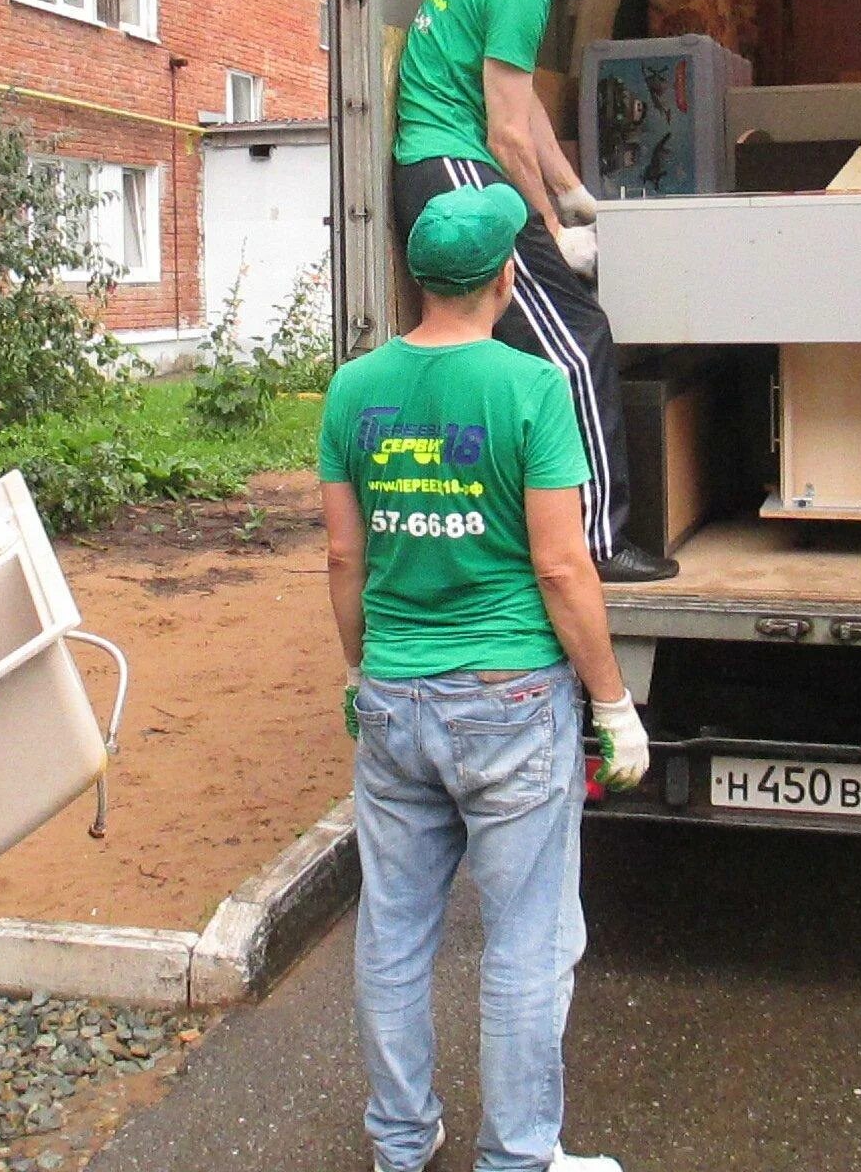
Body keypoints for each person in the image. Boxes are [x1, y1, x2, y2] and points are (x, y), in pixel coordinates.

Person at [320, 181, 653, 1172]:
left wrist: (362, 670)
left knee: (393, 934)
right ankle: (517, 1156)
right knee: (525, 942)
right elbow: (560, 566)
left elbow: (345, 562)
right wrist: (611, 700)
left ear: (422, 278)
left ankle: (400, 1139)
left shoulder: (353, 389)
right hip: (510, 699)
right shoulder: (531, 388)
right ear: (507, 276)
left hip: (394, 696)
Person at [388, 0, 675, 583]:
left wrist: (575, 191)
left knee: (532, 352)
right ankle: (599, 543)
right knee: (578, 346)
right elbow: (504, 134)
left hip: (441, 167)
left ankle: (532, 529)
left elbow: (522, 107)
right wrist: (550, 227)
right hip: (461, 173)